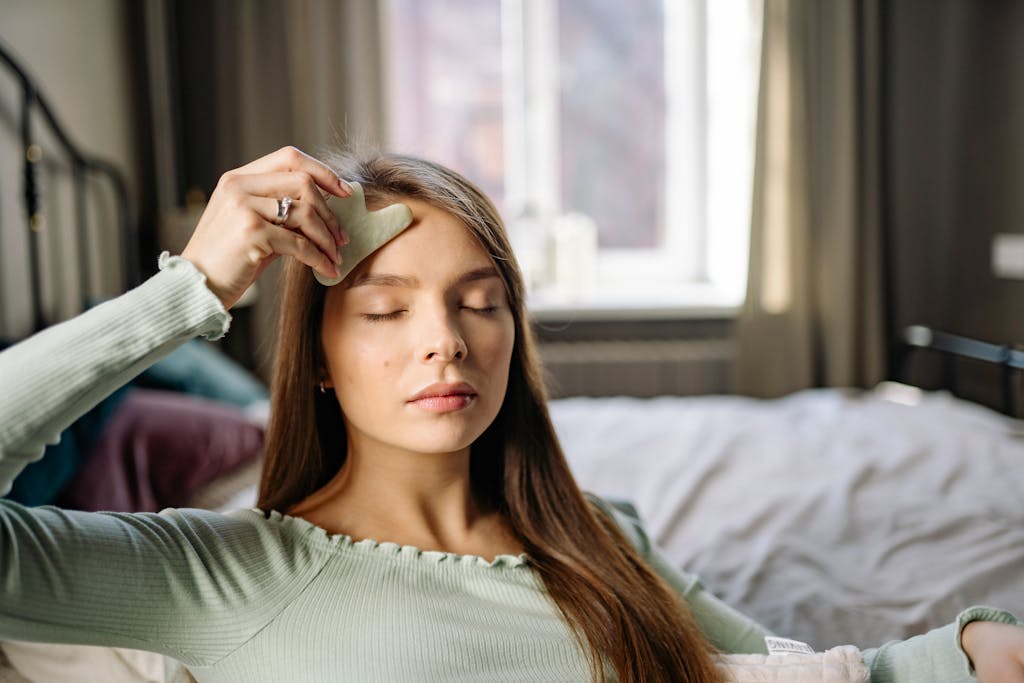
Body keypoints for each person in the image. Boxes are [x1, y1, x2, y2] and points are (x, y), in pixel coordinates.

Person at [0, 146, 1021, 683]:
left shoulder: (600, 535)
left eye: (480, 302)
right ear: (314, 355)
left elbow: (784, 673)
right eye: (388, 308)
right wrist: (186, 294)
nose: (445, 338)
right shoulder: (217, 576)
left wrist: (969, 646)